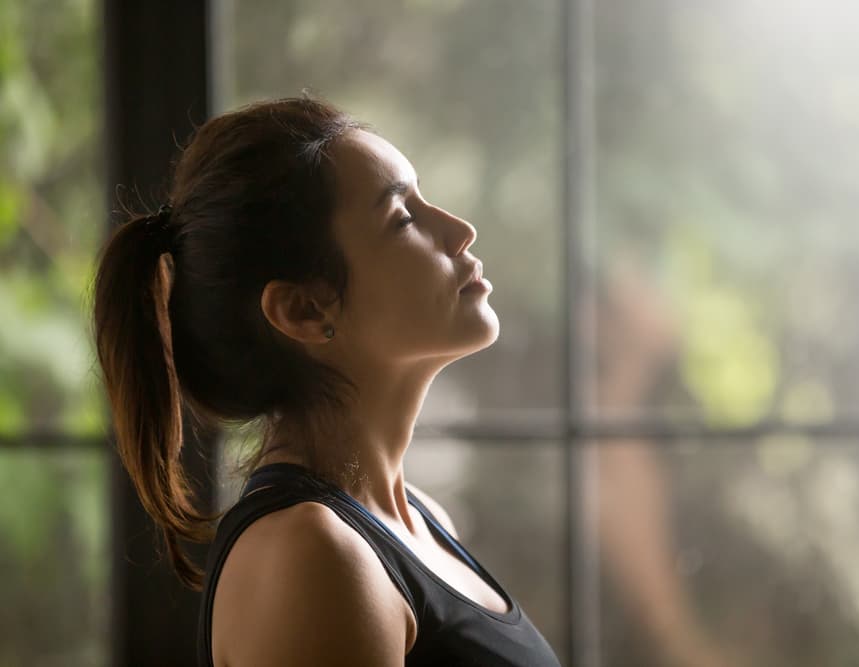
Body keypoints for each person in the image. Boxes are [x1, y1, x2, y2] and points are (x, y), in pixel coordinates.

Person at [91, 96, 562, 667]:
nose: (460, 230)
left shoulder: (423, 521)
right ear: (305, 311)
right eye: (403, 218)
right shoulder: (313, 554)